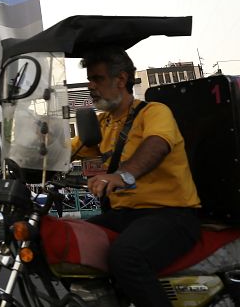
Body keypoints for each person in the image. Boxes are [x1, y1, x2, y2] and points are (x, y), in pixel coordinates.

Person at [72, 47, 200, 307]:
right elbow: (68, 150)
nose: (90, 86)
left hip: (170, 214)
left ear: (120, 80)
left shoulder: (154, 112)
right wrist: (33, 151)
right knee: (71, 240)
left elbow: (157, 144)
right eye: (89, 80)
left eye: (97, 79)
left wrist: (122, 175)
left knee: (125, 256)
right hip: (124, 216)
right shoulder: (102, 123)